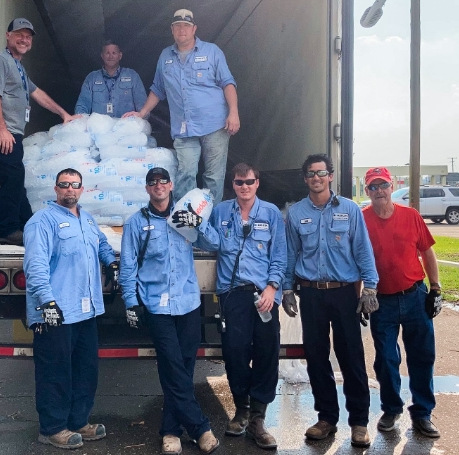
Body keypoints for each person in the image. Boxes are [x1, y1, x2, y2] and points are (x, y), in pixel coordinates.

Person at [119, 167, 219, 455]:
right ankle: (200, 428)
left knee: (184, 369)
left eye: (163, 180)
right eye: (153, 182)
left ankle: (171, 431)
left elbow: (216, 244)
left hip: (188, 303)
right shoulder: (137, 223)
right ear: (148, 189)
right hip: (156, 306)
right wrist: (130, 302)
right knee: (172, 365)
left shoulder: (183, 216)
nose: (159, 186)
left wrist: (198, 223)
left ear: (171, 184)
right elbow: (128, 267)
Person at [282, 153, 379, 448]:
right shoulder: (296, 214)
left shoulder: (349, 210)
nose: (316, 178)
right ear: (305, 178)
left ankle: (359, 422)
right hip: (310, 293)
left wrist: (370, 289)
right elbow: (289, 254)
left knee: (351, 355)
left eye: (321, 173)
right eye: (311, 173)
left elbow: (363, 250)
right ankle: (326, 419)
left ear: (331, 176)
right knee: (316, 355)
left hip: (343, 291)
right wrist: (287, 289)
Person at [191, 163, 286, 450]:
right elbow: (213, 244)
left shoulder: (270, 214)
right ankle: (241, 409)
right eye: (239, 182)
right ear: (233, 185)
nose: (244, 187)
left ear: (258, 183)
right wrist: (197, 223)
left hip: (264, 295)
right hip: (233, 294)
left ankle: (258, 416)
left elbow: (280, 255)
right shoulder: (220, 211)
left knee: (267, 352)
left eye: (249, 181)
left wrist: (273, 287)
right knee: (234, 352)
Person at [23, 168, 119, 450]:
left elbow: (101, 242)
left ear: (82, 189)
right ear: (56, 189)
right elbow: (36, 264)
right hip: (56, 311)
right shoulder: (43, 221)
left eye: (75, 185)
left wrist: (109, 261)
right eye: (64, 185)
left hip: (86, 310)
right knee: (55, 371)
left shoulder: (87, 219)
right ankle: (52, 427)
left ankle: (79, 421)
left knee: (85, 369)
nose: (70, 190)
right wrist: (46, 301)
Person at [123, 9, 240, 204]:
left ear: (194, 28)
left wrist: (233, 113)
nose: (182, 30)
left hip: (215, 124)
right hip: (184, 127)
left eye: (186, 25)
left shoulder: (212, 51)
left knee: (214, 176)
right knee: (186, 173)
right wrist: (142, 113)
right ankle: (186, 221)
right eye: (178, 26)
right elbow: (158, 88)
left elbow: (228, 83)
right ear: (172, 29)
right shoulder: (165, 56)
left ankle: (211, 221)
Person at [0, 17, 80, 246]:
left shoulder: (19, 68)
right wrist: (2, 130)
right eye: (19, 35)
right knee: (12, 178)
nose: (24, 39)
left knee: (16, 178)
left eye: (28, 36)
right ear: (8, 36)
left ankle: (27, 225)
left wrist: (63, 114)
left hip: (12, 132)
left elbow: (37, 94)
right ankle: (7, 229)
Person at [362, 167, 442, 438]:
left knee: (422, 356)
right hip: (380, 302)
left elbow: (427, 252)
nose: (379, 191)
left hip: (415, 296)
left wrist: (436, 289)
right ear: (367, 192)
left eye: (383, 185)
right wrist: (359, 297)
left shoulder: (411, 216)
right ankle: (391, 409)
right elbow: (356, 262)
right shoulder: (362, 220)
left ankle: (422, 413)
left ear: (392, 185)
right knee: (385, 359)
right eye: (373, 187)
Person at [74, 39, 147, 117]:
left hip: (126, 126)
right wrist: (80, 119)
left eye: (114, 53)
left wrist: (141, 115)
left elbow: (143, 104)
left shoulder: (132, 75)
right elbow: (82, 104)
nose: (111, 56)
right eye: (107, 53)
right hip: (98, 127)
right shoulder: (92, 78)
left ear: (120, 55)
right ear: (102, 55)